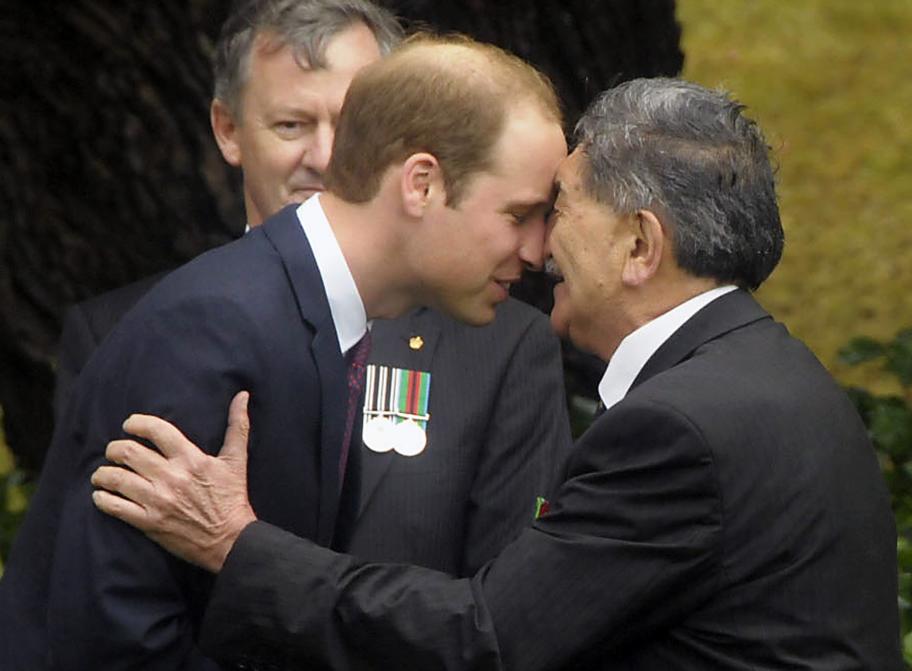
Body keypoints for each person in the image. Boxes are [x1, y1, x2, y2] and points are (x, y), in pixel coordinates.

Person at [94, 78, 902, 669]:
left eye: (560, 209)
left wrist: (237, 545)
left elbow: (488, 636)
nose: (539, 245)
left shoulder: (679, 429)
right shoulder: (774, 372)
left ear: (638, 247)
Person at [0, 34, 568, 669]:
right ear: (423, 185)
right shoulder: (211, 327)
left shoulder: (308, 315)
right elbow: (113, 637)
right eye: (520, 214)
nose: (538, 250)